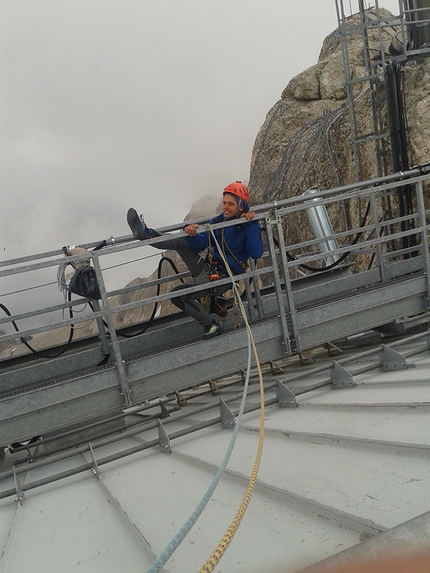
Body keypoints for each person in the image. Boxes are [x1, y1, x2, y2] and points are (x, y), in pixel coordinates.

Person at [127, 181, 263, 338]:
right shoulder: (218, 221)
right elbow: (200, 245)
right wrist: (191, 234)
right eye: (224, 202)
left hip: (226, 276)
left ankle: (210, 325)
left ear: (241, 207)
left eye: (230, 204)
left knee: (177, 294)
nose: (225, 207)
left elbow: (256, 253)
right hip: (210, 269)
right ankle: (147, 234)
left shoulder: (246, 224)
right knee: (181, 243)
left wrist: (250, 225)